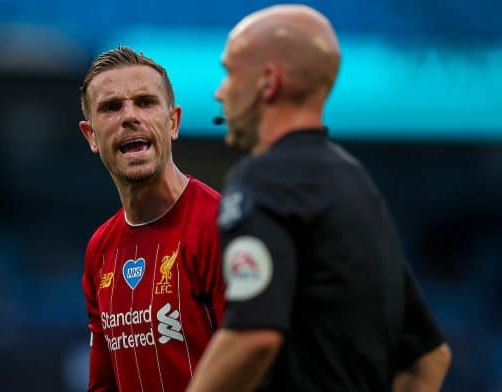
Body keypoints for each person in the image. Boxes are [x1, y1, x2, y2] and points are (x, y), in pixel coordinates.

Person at [188, 4, 451, 392]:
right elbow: (430, 358)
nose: (219, 91)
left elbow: (253, 336)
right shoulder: (358, 187)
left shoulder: (264, 179)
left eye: (229, 72)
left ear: (268, 82)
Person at [78, 46, 225, 391]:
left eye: (145, 102)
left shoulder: (220, 226)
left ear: (173, 122)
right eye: (111, 107)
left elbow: (254, 361)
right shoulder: (100, 249)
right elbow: (103, 385)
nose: (130, 116)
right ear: (91, 136)